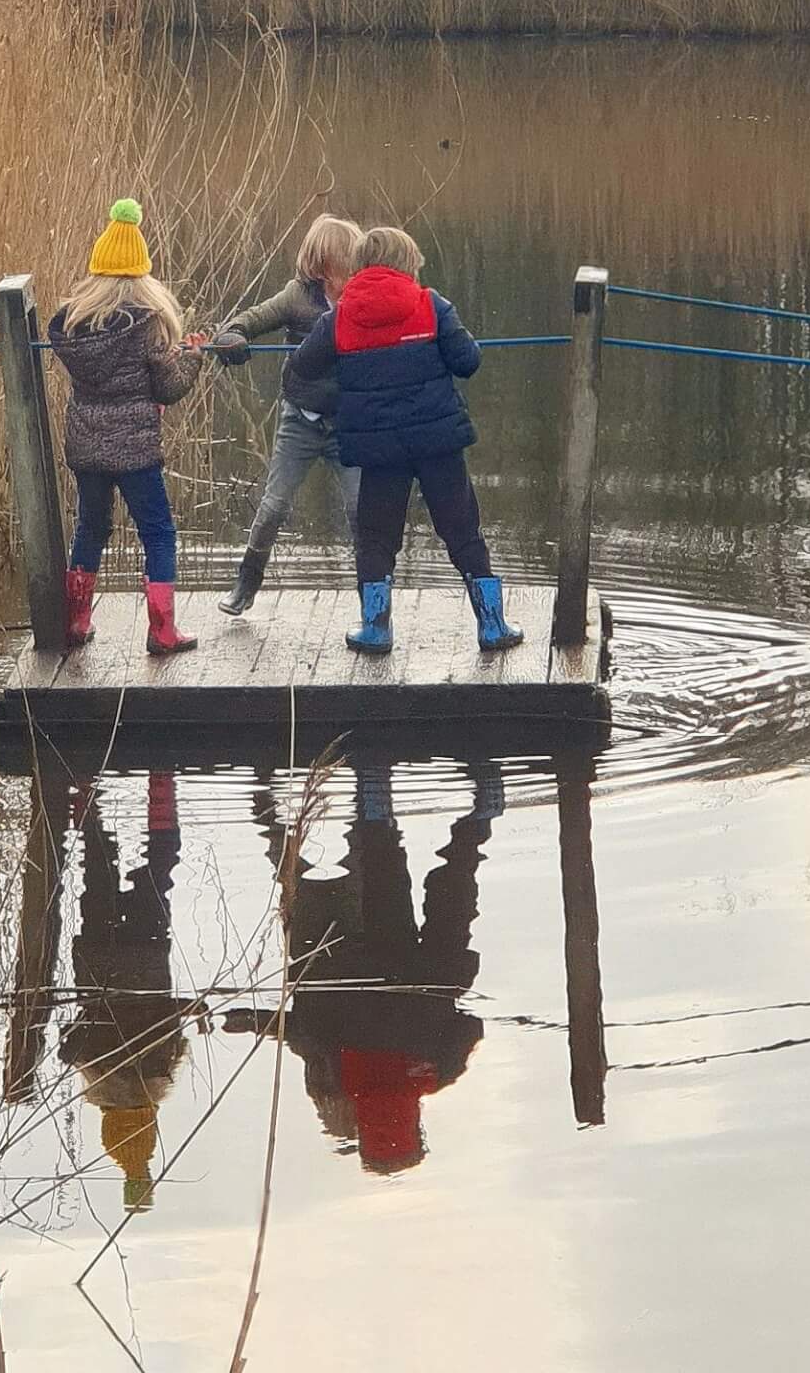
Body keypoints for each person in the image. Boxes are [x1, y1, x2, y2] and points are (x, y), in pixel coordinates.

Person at [239, 757, 501, 1174]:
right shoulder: (343, 1077)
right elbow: (305, 1026)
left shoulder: (438, 1074)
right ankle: (373, 793)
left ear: (415, 1127)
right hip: (373, 959)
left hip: (437, 972)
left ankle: (480, 815)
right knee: (384, 879)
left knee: (454, 884)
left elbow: (472, 1027)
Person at [288, 225, 522, 656]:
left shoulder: (338, 318)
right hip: (438, 443)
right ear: (406, 262)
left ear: (361, 263)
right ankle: (493, 626)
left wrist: (348, 375)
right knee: (463, 532)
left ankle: (376, 630)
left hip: (381, 451)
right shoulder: (430, 305)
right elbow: (468, 361)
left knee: (376, 537)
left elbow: (301, 367)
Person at [48, 199, 207, 657]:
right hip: (135, 449)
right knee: (157, 532)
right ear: (142, 272)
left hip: (87, 446)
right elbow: (168, 388)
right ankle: (162, 631)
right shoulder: (146, 323)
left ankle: (76, 623)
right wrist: (193, 358)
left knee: (90, 527)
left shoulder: (75, 323)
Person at [209, 214, 364, 616]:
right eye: (346, 265)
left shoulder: (364, 298)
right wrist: (232, 339)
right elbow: (244, 322)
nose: (354, 273)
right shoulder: (296, 298)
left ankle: (372, 593)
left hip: (349, 425)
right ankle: (246, 582)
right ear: (322, 266)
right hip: (300, 420)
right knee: (274, 505)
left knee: (360, 510)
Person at [61, 773, 187, 1212]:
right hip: (97, 959)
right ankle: (83, 789)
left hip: (148, 959)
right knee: (95, 866)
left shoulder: (158, 1075)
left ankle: (161, 783)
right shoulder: (95, 1078)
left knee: (160, 866)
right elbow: (69, 1045)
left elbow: (174, 1025)